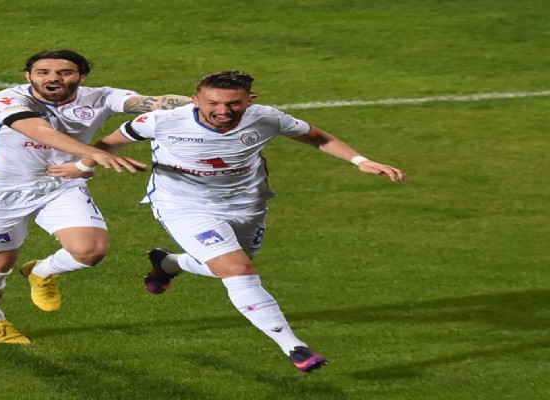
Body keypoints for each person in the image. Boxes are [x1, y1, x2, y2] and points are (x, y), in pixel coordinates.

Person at [53, 70, 406, 372]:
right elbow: (110, 143)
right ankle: (293, 346)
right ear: (195, 99)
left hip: (247, 203)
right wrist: (83, 165)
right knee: (238, 269)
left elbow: (317, 136)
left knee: (234, 267)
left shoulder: (267, 118)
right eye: (213, 104)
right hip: (183, 205)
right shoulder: (160, 120)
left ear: (250, 100)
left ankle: (168, 263)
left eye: (234, 104)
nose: (223, 111)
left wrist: (360, 160)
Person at [0, 49, 192, 344]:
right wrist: (94, 154)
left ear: (81, 77)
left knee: (90, 251)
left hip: (62, 184)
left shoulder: (101, 97)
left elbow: (156, 103)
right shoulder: (4, 100)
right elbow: (39, 131)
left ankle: (40, 272)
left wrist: (211, 103)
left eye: (65, 72)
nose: (53, 78)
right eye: (43, 72)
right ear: (28, 76)